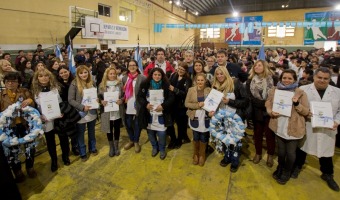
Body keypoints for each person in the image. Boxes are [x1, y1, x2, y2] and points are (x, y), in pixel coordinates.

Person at [294, 68, 340, 192]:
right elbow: (297, 106)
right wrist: (306, 113)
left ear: (329, 79)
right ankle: (297, 167)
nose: (322, 80)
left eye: (325, 78)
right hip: (309, 125)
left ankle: (328, 174)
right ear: (314, 77)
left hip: (328, 128)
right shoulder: (303, 90)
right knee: (302, 148)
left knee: (326, 154)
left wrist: (337, 121)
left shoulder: (337, 92)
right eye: (319, 77)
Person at [265, 69, 309, 185]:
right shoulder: (275, 90)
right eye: (284, 78)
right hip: (279, 125)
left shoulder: (300, 92)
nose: (287, 80)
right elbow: (268, 102)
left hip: (293, 127)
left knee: (290, 153)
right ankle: (280, 167)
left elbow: (306, 111)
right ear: (281, 79)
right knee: (281, 152)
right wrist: (270, 111)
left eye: (290, 78)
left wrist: (296, 104)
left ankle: (287, 171)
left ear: (295, 79)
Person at [210, 66, 249, 172]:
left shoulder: (235, 83)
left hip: (235, 118)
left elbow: (245, 101)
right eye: (217, 74)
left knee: (235, 142)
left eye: (221, 73)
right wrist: (212, 110)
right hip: (221, 118)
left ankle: (235, 161)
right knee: (225, 139)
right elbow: (213, 103)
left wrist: (230, 102)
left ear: (226, 73)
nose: (219, 76)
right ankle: (227, 157)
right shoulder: (215, 86)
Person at [0, 72, 37, 182]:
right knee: (13, 150)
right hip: (10, 127)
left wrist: (29, 100)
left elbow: (33, 103)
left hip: (25, 124)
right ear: (5, 83)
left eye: (13, 81)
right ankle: (18, 171)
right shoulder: (1, 95)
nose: (10, 83)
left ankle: (30, 167)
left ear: (18, 83)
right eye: (8, 81)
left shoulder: (24, 91)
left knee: (30, 147)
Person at [32, 69, 70, 171]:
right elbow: (34, 107)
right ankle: (54, 160)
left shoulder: (57, 88)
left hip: (59, 118)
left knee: (63, 138)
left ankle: (65, 156)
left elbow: (64, 102)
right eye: (40, 76)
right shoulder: (35, 92)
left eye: (46, 76)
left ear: (50, 77)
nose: (43, 78)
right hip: (46, 120)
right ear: (37, 78)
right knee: (50, 141)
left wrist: (62, 112)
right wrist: (39, 115)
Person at [138, 68, 174, 160]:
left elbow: (171, 98)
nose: (157, 76)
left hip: (161, 114)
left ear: (162, 76)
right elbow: (139, 97)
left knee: (162, 133)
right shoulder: (145, 84)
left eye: (159, 75)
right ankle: (154, 147)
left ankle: (162, 149)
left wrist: (163, 106)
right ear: (151, 75)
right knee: (150, 132)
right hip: (149, 113)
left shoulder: (166, 85)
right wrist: (146, 104)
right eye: (155, 74)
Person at [246, 60, 276, 167]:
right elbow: (250, 97)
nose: (257, 67)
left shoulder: (272, 79)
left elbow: (275, 94)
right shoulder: (250, 81)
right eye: (255, 65)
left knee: (270, 135)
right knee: (257, 134)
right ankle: (258, 153)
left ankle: (270, 155)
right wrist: (264, 103)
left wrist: (269, 105)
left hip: (270, 112)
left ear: (265, 67)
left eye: (259, 65)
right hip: (257, 111)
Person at [68, 65, 98, 162]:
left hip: (92, 112)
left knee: (92, 132)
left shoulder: (92, 82)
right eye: (81, 73)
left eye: (85, 72)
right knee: (80, 134)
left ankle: (92, 148)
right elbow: (71, 100)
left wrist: (97, 100)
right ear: (77, 74)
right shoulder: (74, 84)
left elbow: (96, 95)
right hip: (81, 113)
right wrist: (82, 107)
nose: (84, 74)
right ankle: (82, 152)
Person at [185, 73, 211, 166]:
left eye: (202, 80)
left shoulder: (209, 90)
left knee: (204, 136)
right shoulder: (191, 90)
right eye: (198, 80)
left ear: (205, 81)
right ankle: (196, 154)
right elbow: (186, 103)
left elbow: (213, 104)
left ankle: (202, 155)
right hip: (195, 116)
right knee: (196, 136)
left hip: (205, 117)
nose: (200, 82)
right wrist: (197, 105)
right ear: (195, 81)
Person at [98, 66, 125, 157]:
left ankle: (116, 146)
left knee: (117, 128)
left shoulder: (120, 84)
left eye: (114, 74)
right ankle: (111, 147)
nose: (112, 75)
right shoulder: (102, 85)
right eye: (111, 74)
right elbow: (99, 97)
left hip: (117, 110)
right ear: (107, 74)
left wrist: (121, 100)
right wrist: (101, 101)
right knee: (108, 129)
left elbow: (124, 95)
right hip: (106, 110)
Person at [122, 60, 146, 153]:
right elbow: (123, 91)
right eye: (130, 65)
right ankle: (131, 139)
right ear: (127, 67)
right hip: (127, 104)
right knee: (128, 124)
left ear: (137, 67)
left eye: (134, 65)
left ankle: (136, 141)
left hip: (138, 105)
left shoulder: (142, 78)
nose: (132, 67)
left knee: (137, 124)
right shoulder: (124, 78)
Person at [167, 62, 192, 148]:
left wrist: (175, 90)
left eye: (183, 70)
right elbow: (168, 84)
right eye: (179, 69)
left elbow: (186, 93)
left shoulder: (188, 80)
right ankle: (174, 138)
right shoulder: (174, 75)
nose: (180, 71)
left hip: (181, 105)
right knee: (171, 122)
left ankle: (180, 139)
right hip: (172, 104)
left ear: (186, 71)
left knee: (181, 124)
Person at [57, 66, 79, 156]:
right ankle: (66, 151)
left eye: (65, 72)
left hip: (74, 108)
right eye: (61, 73)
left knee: (74, 129)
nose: (63, 74)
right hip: (63, 109)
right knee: (65, 131)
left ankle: (75, 147)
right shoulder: (57, 84)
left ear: (69, 72)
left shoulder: (75, 82)